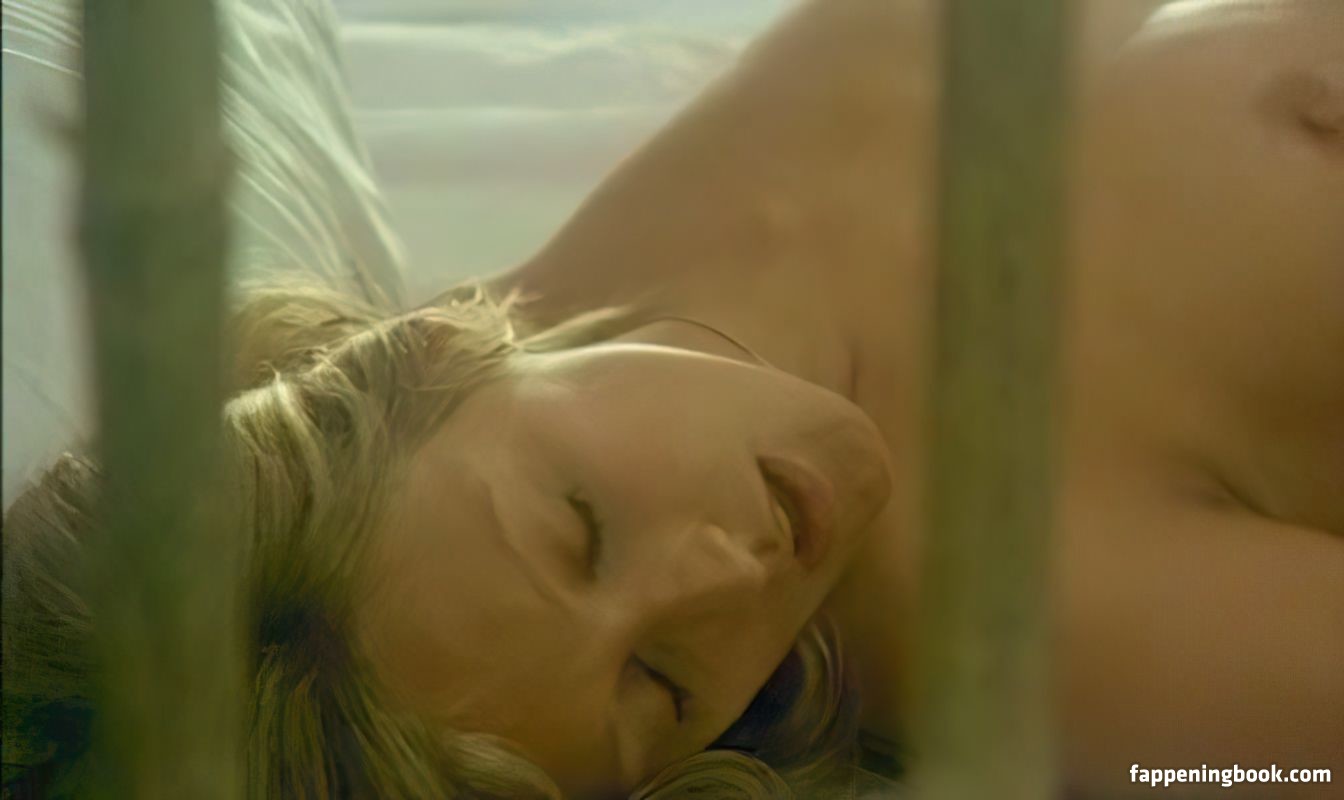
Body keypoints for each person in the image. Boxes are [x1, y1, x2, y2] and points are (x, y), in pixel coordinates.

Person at [4, 0, 1342, 797]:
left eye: (583, 528)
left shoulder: (653, 241)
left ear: (427, 350)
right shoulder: (1036, 609)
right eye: (660, 686)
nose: (724, 576)